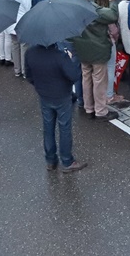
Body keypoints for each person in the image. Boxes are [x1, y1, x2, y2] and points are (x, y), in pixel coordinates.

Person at [24, 42, 86, 173]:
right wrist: (70, 58)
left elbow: (29, 76)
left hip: (44, 94)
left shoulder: (30, 53)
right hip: (62, 95)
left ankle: (51, 160)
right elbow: (74, 75)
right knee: (64, 128)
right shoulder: (60, 56)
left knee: (48, 127)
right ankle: (67, 161)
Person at [69, 0, 118, 120]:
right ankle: (101, 110)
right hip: (97, 49)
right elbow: (112, 15)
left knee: (86, 77)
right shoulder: (92, 8)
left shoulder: (72, 6)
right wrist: (112, 0)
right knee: (99, 80)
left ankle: (88, 107)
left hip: (81, 48)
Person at [0, 0, 32, 77]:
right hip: (22, 23)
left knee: (15, 46)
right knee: (24, 48)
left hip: (10, 22)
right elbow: (28, 8)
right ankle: (25, 71)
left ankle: (17, 70)